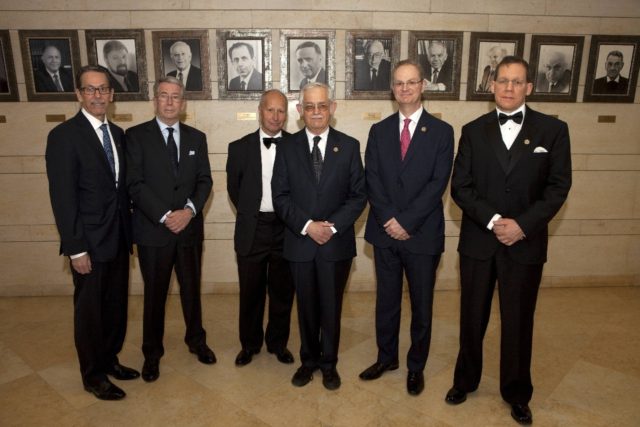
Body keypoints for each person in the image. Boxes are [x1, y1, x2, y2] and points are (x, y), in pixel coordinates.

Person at [444, 56, 571, 425]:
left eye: (517, 82)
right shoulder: (472, 130)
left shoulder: (552, 131)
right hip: (479, 243)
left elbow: (558, 186)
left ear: (529, 87)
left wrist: (522, 225)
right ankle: (464, 381)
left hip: (525, 244)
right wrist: (496, 220)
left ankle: (517, 393)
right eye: (503, 81)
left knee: (518, 322)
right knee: (472, 317)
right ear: (492, 85)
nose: (509, 88)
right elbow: (461, 187)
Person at [359, 59, 454, 396]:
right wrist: (389, 220)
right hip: (384, 233)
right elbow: (372, 179)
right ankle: (387, 358)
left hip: (422, 234)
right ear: (392, 89)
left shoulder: (442, 132)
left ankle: (416, 366)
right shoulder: (379, 130)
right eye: (399, 83)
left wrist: (407, 222)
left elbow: (437, 184)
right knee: (386, 302)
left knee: (421, 305)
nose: (405, 88)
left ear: (423, 85)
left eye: (411, 82)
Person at [45, 65, 139, 400]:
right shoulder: (64, 137)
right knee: (90, 312)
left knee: (115, 306)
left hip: (117, 238)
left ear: (112, 95)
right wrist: (76, 249)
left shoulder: (118, 135)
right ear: (79, 94)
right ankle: (92, 375)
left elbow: (121, 190)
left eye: (103, 89)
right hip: (88, 243)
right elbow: (63, 198)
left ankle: (110, 360)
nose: (98, 95)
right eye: (90, 89)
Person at [272, 82, 366, 390]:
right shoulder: (286, 147)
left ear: (332, 108)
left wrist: (331, 226)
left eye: (322, 106)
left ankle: (329, 364)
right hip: (300, 242)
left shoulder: (349, 146)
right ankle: (307, 361)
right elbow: (280, 196)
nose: (316, 112)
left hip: (335, 245)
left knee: (331, 307)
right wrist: (308, 226)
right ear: (300, 111)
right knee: (307, 307)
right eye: (309, 107)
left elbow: (358, 196)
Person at [126, 76, 214, 383]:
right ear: (155, 100)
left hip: (188, 230)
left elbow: (205, 180)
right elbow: (134, 184)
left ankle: (197, 342)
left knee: (192, 290)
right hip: (153, 232)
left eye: (175, 97)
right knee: (155, 295)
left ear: (184, 103)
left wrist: (189, 211)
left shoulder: (196, 138)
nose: (169, 101)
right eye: (163, 96)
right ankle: (152, 353)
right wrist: (166, 215)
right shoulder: (135, 136)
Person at [226, 90, 295, 367]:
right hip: (253, 228)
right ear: (260, 110)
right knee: (251, 292)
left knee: (282, 292)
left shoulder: (297, 145)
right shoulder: (239, 147)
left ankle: (278, 344)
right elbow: (235, 190)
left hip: (287, 228)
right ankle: (249, 345)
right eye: (270, 110)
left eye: (281, 111)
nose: (276, 116)